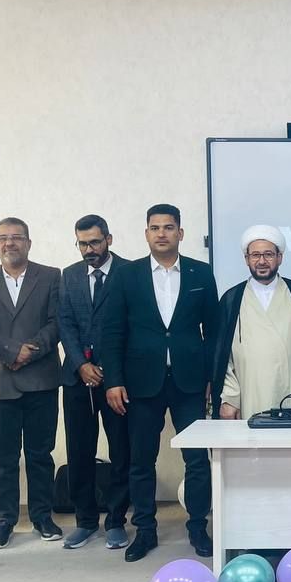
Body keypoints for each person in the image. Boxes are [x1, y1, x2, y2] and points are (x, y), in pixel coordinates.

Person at [102, 204, 219, 562]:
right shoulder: (127, 275)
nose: (162, 234)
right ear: (146, 234)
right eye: (155, 228)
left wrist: (212, 378)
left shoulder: (201, 272)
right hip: (140, 382)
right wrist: (113, 380)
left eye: (169, 227)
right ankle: (145, 530)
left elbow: (214, 331)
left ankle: (198, 527)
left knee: (197, 459)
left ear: (180, 233)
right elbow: (112, 331)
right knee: (141, 460)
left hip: (190, 381)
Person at [0, 217, 63, 549]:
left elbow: (57, 322)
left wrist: (29, 351)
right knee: (3, 458)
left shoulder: (50, 276)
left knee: (40, 454)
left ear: (28, 243)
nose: (10, 243)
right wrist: (11, 351)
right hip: (0, 382)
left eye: (17, 237)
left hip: (42, 380)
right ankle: (4, 520)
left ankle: (42, 516)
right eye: (3, 238)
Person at [57, 214, 131, 550]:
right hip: (78, 379)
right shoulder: (70, 275)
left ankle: (116, 520)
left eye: (95, 242)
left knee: (121, 450)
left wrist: (109, 370)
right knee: (79, 451)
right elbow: (65, 323)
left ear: (109, 240)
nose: (89, 249)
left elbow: (131, 325)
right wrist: (81, 364)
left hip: (117, 379)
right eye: (83, 244)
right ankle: (85, 521)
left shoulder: (128, 272)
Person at [215, 225, 291, 420]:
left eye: (268, 254)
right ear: (246, 259)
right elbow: (223, 356)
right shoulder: (232, 299)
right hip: (250, 393)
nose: (261, 261)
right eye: (255, 255)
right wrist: (229, 398)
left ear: (280, 257)